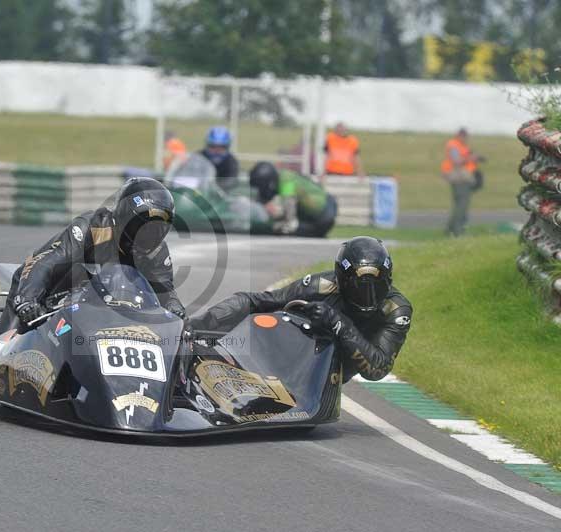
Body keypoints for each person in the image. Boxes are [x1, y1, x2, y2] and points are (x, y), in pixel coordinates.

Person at [0, 177, 186, 363]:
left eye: (158, 228)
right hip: (49, 299)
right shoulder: (91, 228)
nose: (149, 235)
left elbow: (166, 294)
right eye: (141, 226)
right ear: (123, 217)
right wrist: (27, 300)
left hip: (108, 312)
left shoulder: (156, 253)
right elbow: (45, 264)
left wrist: (177, 313)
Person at [189, 236, 412, 383]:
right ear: (341, 281)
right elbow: (258, 301)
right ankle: (190, 336)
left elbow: (377, 369)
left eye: (376, 286)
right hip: (287, 354)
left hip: (332, 370)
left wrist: (339, 323)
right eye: (359, 287)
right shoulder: (319, 286)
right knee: (258, 306)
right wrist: (197, 326)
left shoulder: (397, 310)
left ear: (388, 279)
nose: (368, 296)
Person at [249, 161, 337, 237]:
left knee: (282, 228)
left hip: (324, 213)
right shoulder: (283, 177)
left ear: (268, 184)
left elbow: (290, 219)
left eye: (261, 188)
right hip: (322, 209)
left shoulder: (286, 181)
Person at [441, 128, 481, 236]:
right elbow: (456, 161)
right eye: (464, 136)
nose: (466, 138)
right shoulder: (453, 145)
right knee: (461, 206)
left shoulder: (461, 146)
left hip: (463, 178)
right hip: (459, 178)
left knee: (460, 205)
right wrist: (471, 158)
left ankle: (450, 229)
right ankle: (457, 231)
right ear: (459, 136)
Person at [200, 126, 240, 190]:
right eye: (213, 146)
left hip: (222, 193)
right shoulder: (199, 157)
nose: (217, 151)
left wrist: (217, 187)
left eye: (222, 147)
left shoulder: (231, 162)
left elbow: (232, 180)